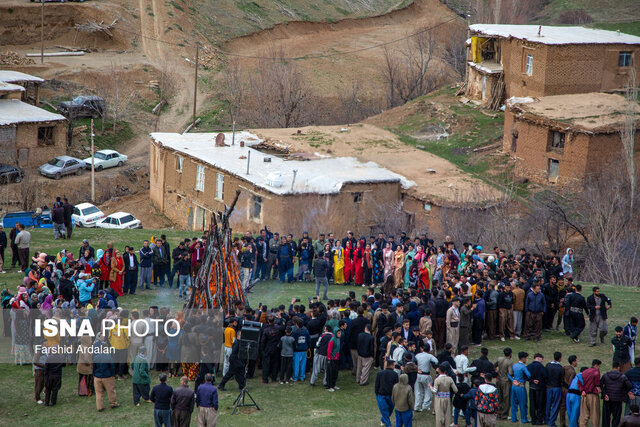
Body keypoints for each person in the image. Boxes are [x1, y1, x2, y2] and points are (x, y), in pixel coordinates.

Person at [601, 361, 633, 427]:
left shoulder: (606, 375)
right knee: (616, 418)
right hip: (617, 400)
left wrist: (604, 394)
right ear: (618, 367)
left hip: (607, 399)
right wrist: (624, 391)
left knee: (606, 418)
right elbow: (629, 386)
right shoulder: (622, 377)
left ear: (612, 367)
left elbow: (600, 385)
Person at [93, 337, 120, 411]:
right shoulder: (108, 357)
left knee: (98, 393)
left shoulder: (96, 357)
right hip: (107, 377)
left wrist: (95, 375)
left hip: (97, 377)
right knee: (111, 391)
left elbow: (94, 367)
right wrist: (113, 375)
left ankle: (99, 407)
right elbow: (112, 367)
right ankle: (113, 403)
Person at [375, 359, 399, 427]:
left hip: (381, 394)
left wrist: (376, 392)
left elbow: (377, 384)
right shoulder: (395, 374)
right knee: (387, 410)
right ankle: (388, 424)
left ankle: (383, 420)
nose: (395, 366)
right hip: (390, 395)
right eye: (394, 365)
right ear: (391, 365)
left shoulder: (380, 373)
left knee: (385, 410)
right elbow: (396, 385)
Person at [578, 359, 602, 427]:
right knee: (595, 415)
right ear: (596, 365)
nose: (599, 368)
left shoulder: (584, 372)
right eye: (599, 366)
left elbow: (579, 382)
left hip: (584, 395)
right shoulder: (596, 371)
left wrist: (582, 390)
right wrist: (598, 387)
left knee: (584, 415)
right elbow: (597, 382)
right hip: (593, 395)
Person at [509, 351, 531, 424]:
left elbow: (508, 374)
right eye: (526, 358)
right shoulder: (523, 367)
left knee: (513, 403)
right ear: (523, 358)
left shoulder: (514, 365)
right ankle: (524, 419)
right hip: (521, 386)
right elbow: (529, 375)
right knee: (523, 403)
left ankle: (514, 418)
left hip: (514, 386)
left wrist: (513, 380)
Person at [527, 353, 548, 425]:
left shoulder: (529, 366)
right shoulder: (541, 367)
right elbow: (545, 376)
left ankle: (533, 420)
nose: (542, 361)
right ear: (539, 358)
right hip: (540, 388)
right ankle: (539, 420)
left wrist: (532, 380)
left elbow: (525, 375)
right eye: (542, 359)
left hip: (532, 387)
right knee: (540, 404)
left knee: (532, 404)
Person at [559, 355, 578, 427]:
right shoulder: (572, 372)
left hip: (562, 388)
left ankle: (562, 423)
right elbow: (571, 383)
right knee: (572, 407)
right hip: (568, 390)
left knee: (563, 407)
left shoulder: (565, 367)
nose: (577, 362)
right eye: (576, 360)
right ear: (573, 362)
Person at [292, 317, 310, 383]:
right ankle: (302, 376)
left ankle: (295, 377)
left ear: (296, 324)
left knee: (296, 364)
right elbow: (309, 339)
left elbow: (293, 340)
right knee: (303, 363)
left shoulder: (294, 332)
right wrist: (308, 347)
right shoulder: (306, 330)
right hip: (304, 349)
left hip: (297, 350)